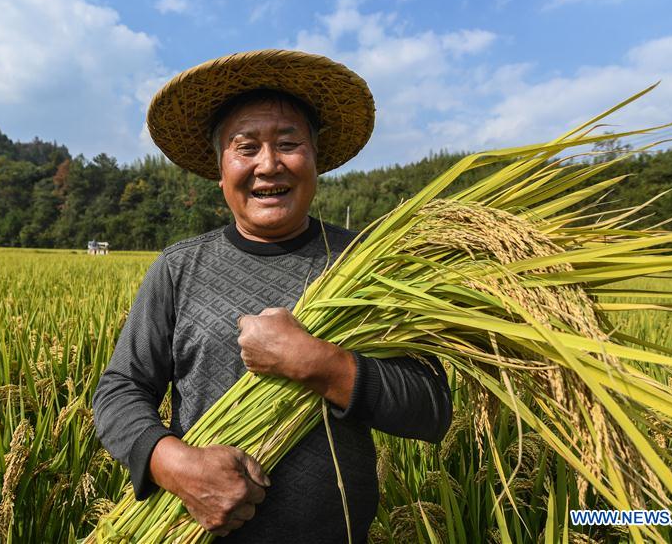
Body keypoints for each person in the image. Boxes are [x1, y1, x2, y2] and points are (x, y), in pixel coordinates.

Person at [93, 49, 452, 543]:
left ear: (315, 159)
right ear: (220, 170)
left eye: (288, 143)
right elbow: (119, 390)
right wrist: (174, 464)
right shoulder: (179, 268)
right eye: (246, 148)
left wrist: (318, 364)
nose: (269, 164)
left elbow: (431, 406)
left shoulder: (366, 264)